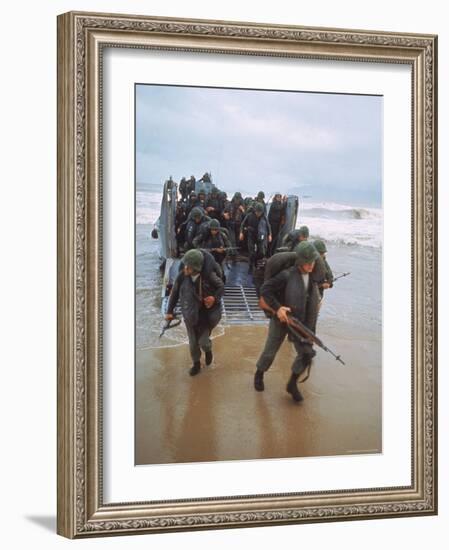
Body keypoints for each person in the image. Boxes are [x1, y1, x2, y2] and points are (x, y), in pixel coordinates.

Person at [254, 241, 320, 402]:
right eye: (307, 262)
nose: (311, 265)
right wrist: (278, 309)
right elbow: (265, 290)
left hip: (300, 321)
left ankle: (292, 383)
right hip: (281, 319)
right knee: (270, 351)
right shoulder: (286, 275)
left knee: (306, 353)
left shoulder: (312, 277)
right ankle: (259, 373)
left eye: (313, 261)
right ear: (300, 261)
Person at [165, 249, 224, 376]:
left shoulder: (209, 276)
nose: (185, 268)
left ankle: (208, 351)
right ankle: (196, 364)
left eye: (189, 267)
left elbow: (221, 286)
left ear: (196, 268)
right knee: (193, 344)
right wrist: (169, 311)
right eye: (185, 265)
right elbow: (174, 294)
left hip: (205, 315)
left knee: (203, 342)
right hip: (189, 313)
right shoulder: (181, 276)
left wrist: (214, 298)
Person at [239, 202, 272, 273]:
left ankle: (256, 262)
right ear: (255, 210)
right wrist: (241, 233)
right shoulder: (249, 215)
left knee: (262, 252)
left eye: (260, 212)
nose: (258, 214)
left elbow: (268, 226)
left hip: (260, 235)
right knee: (251, 252)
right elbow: (242, 224)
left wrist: (270, 235)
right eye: (257, 212)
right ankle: (250, 266)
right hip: (251, 235)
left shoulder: (264, 217)